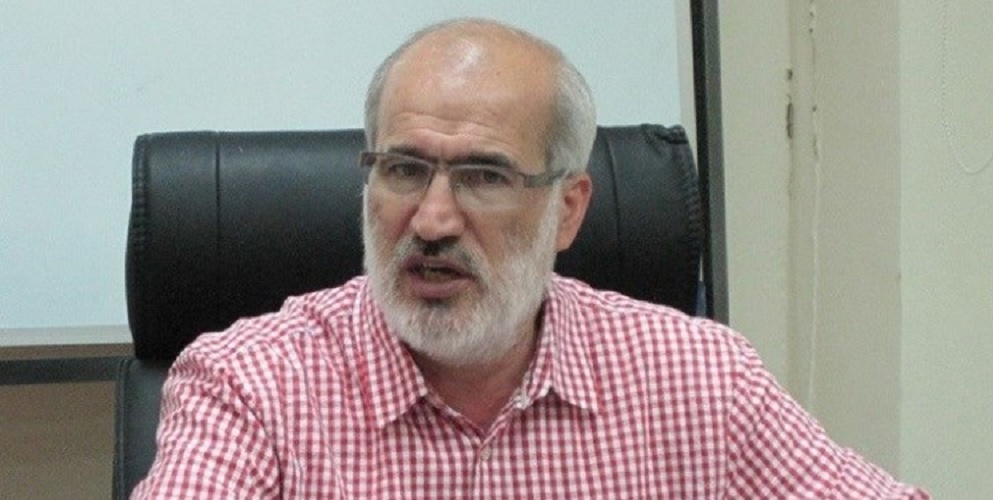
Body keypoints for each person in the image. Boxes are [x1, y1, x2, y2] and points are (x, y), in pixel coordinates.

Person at [132, 18, 928, 499]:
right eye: (403, 169)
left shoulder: (698, 379)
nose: (431, 219)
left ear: (566, 210)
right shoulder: (250, 385)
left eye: (484, 177)